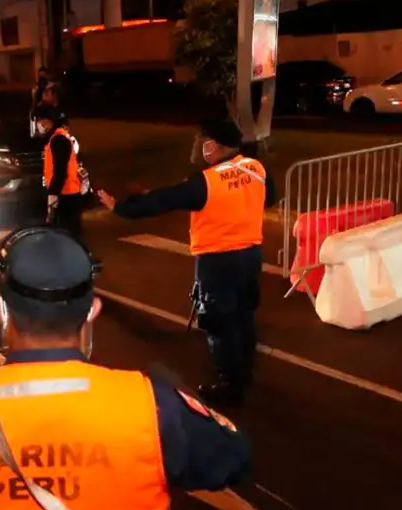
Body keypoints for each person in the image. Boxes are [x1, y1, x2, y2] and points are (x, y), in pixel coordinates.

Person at [0, 227, 250, 510]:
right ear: (92, 311)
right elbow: (231, 459)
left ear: (0, 310)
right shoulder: (149, 404)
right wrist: (172, 385)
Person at [97, 118, 276, 405]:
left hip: (218, 261)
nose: (199, 147)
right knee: (244, 316)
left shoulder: (207, 181)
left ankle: (230, 384)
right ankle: (244, 371)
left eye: (203, 141)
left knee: (220, 323)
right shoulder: (255, 168)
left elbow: (162, 201)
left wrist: (120, 207)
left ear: (214, 145)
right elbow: (270, 197)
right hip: (251, 257)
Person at [35, 105, 88, 239]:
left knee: (68, 237)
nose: (38, 125)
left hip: (67, 196)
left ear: (48, 122)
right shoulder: (57, 138)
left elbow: (60, 172)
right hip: (67, 195)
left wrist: (53, 194)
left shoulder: (58, 140)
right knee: (69, 235)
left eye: (40, 121)